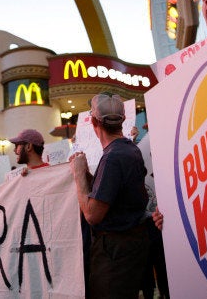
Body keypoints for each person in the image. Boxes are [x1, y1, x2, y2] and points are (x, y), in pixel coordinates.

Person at [70, 92, 150, 298]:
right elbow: (111, 192)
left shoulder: (113, 157)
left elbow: (92, 215)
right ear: (122, 120)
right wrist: (88, 173)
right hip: (128, 248)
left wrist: (79, 174)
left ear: (94, 122)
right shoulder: (127, 150)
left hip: (115, 253)